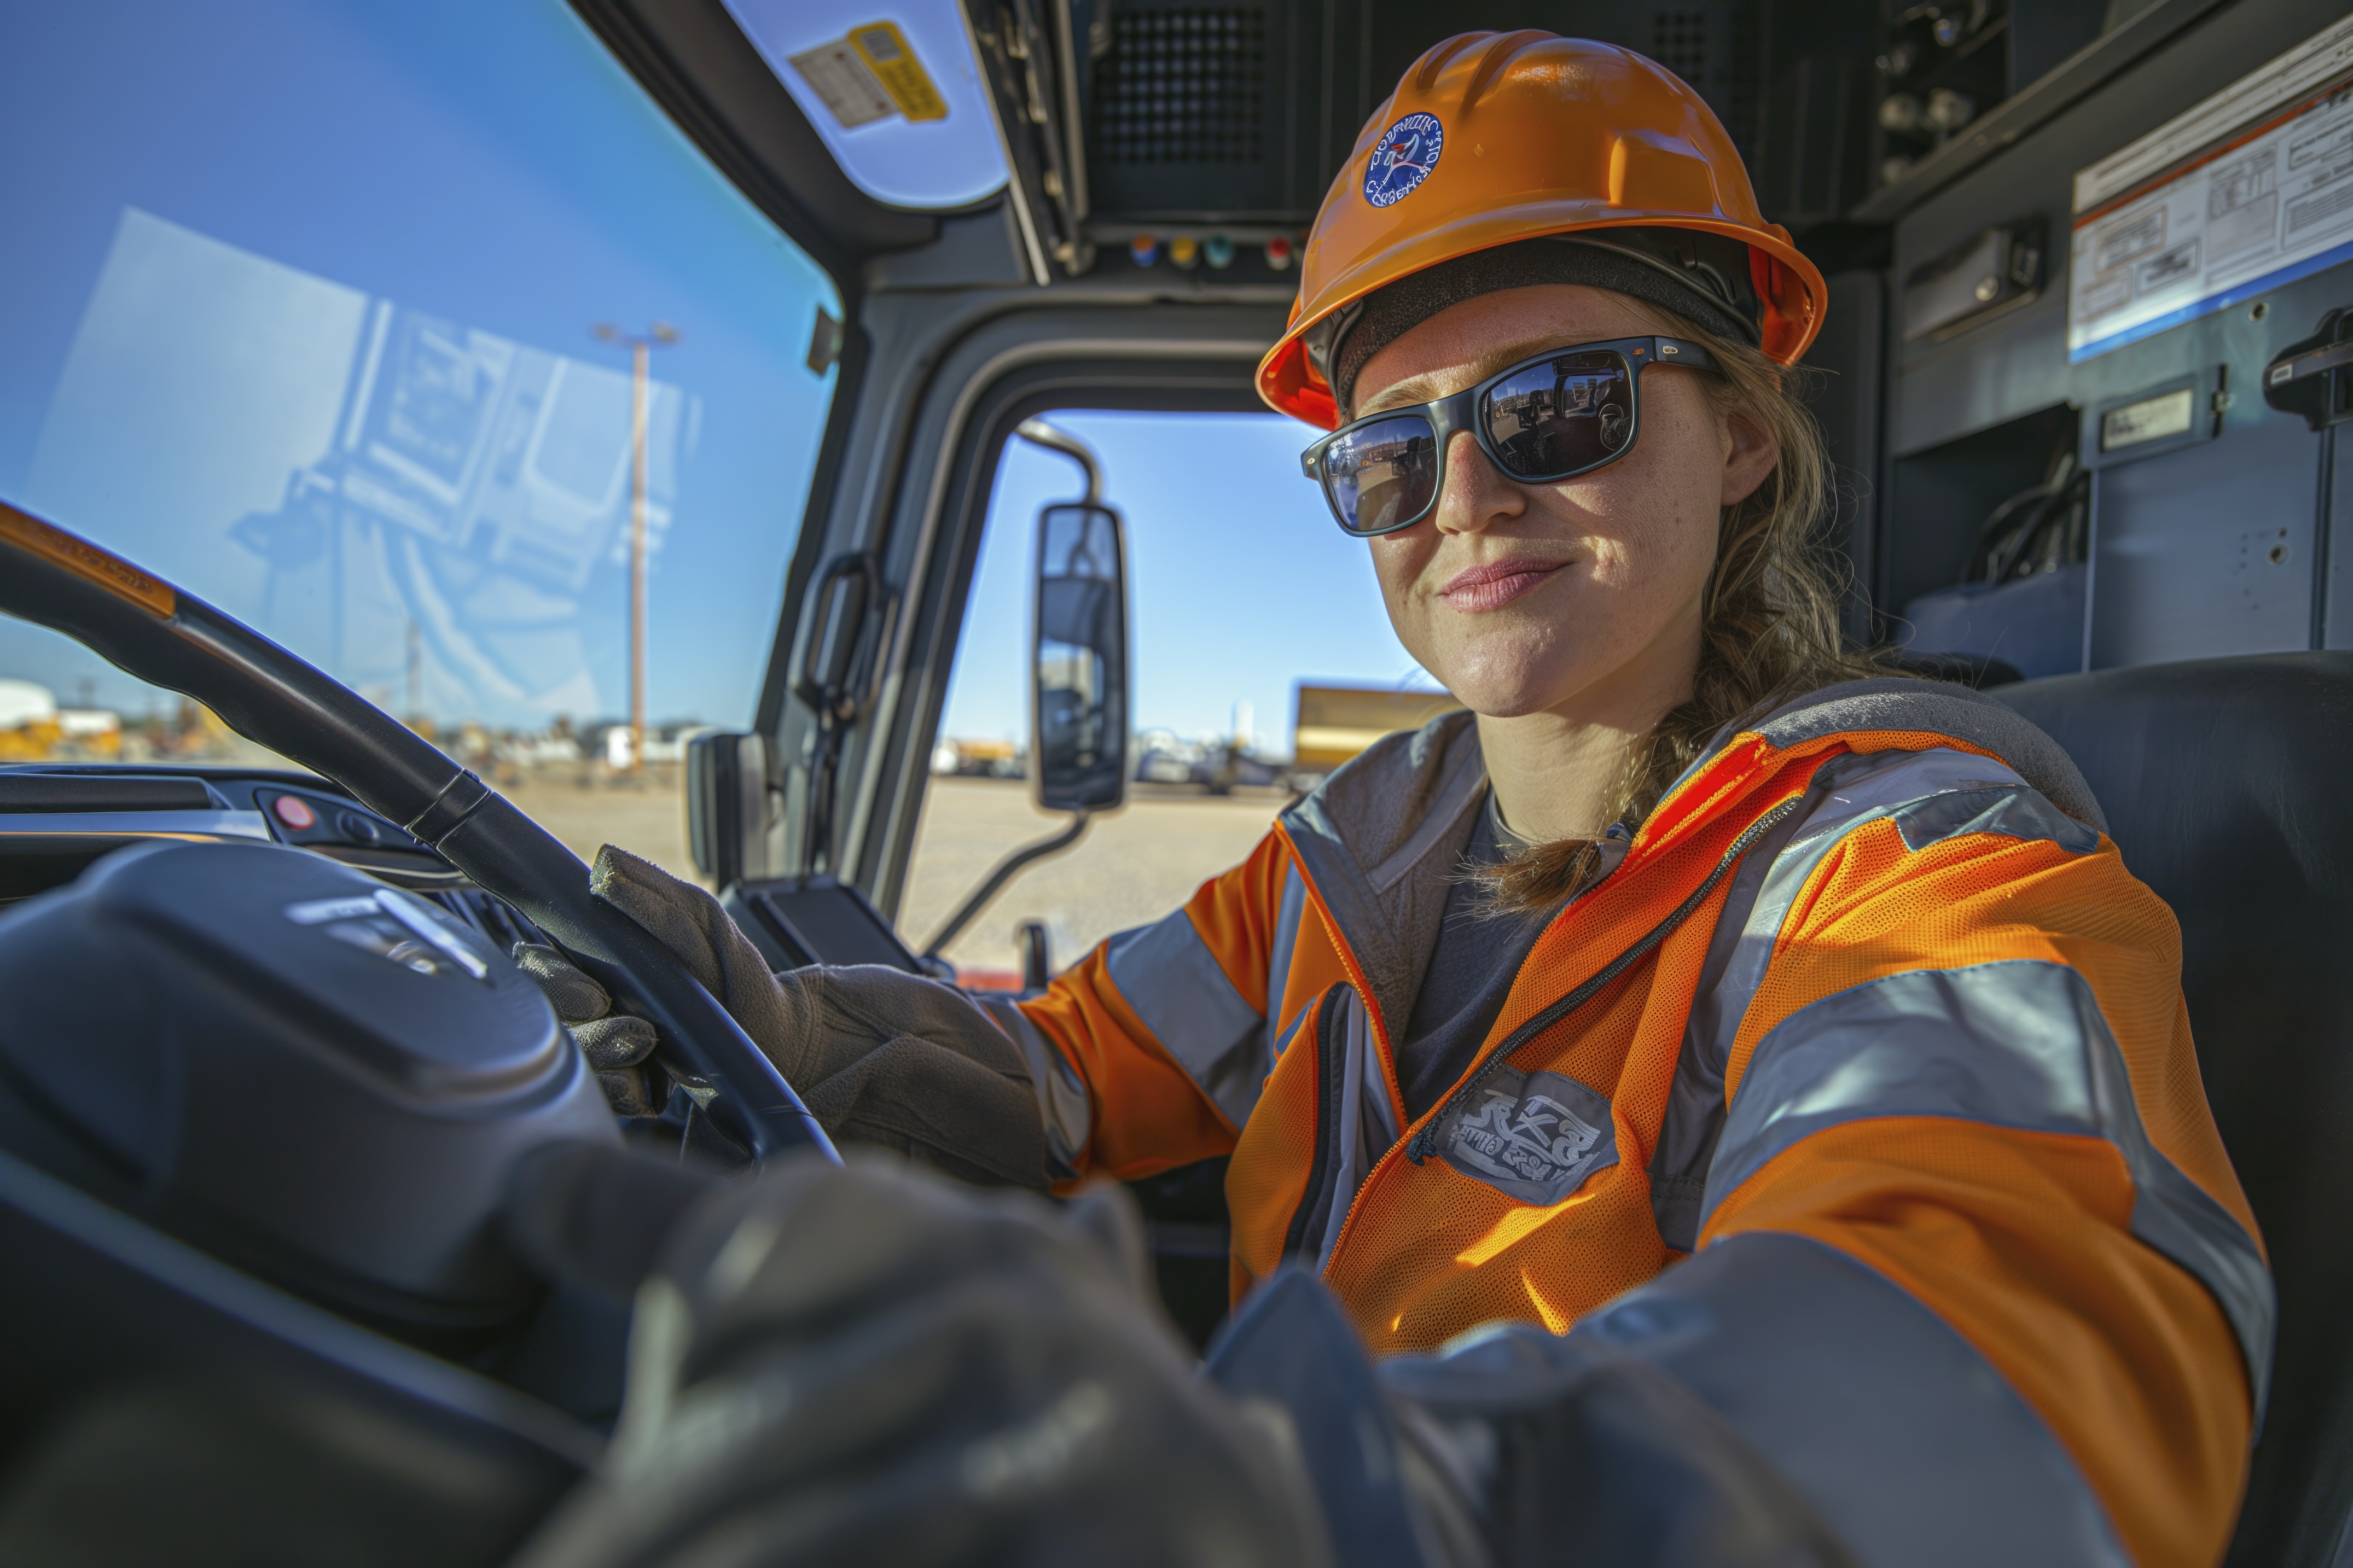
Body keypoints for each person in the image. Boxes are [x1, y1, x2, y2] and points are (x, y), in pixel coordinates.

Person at [527, 31, 2267, 1568]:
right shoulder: (1361, 850)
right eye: (1391, 454)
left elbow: (1992, 1347)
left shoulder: (1912, 865)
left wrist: (1359, 1495)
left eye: (1558, 407)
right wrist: (765, 1020)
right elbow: (1067, 1069)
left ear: (1740, 431)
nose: (1468, 497)